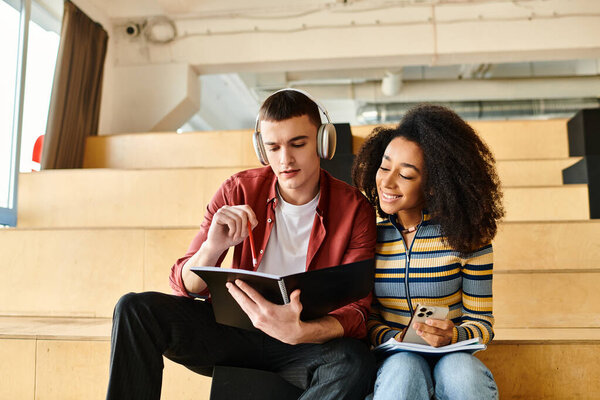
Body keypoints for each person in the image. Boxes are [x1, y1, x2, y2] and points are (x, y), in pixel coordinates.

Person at [106, 89, 377, 400]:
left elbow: (357, 312)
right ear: (262, 150)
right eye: (273, 147)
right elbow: (183, 285)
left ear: (323, 142)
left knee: (354, 362)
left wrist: (302, 331)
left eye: (298, 144)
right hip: (233, 334)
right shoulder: (237, 190)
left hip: (303, 343)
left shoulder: (355, 208)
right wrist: (212, 247)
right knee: (135, 308)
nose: (285, 159)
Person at [352, 104, 504, 400]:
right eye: (385, 167)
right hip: (396, 358)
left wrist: (453, 335)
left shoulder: (468, 239)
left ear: (434, 186)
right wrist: (390, 337)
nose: (387, 181)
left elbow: (482, 323)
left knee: (459, 371)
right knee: (405, 367)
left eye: (406, 175)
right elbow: (367, 317)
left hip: (453, 355)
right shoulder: (370, 235)